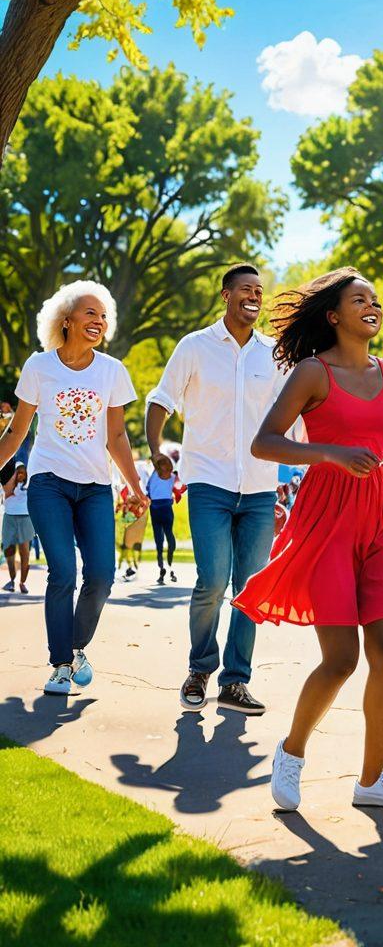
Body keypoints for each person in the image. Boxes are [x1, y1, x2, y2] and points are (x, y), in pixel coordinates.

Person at [232, 268, 383, 813]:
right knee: (341, 658)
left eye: (375, 300)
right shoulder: (313, 372)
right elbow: (265, 442)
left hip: (380, 517)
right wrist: (328, 453)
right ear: (334, 316)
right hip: (325, 518)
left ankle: (372, 781)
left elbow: (378, 448)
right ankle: (292, 751)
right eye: (359, 300)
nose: (372, 306)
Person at [146, 263, 288, 716]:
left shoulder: (274, 355)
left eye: (259, 290)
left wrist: (317, 465)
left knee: (250, 589)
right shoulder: (195, 346)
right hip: (208, 483)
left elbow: (297, 419)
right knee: (212, 581)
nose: (254, 296)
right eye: (245, 289)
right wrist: (155, 450)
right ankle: (200, 669)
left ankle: (236, 681)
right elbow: (161, 399)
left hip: (261, 488)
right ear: (225, 294)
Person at [0, 280, 147, 695]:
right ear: (66, 321)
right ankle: (61, 665)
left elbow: (117, 437)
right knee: (63, 570)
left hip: (96, 487)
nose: (98, 321)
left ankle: (74, 646)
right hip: (49, 483)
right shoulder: (39, 367)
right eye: (90, 313)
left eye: (103, 316)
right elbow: (17, 433)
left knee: (102, 574)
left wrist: (134, 484)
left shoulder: (112, 371)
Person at [146, 453, 185, 584]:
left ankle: (162, 568)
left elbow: (147, 490)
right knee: (169, 535)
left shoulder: (153, 476)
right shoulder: (173, 477)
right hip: (166, 507)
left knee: (159, 540)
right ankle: (169, 565)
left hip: (155, 508)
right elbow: (181, 487)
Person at [3, 462, 34, 593]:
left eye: (23, 472)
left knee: (24, 552)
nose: (20, 474)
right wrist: (14, 475)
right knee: (9, 550)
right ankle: (12, 580)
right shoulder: (9, 485)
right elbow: (6, 493)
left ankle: (22, 582)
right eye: (18, 472)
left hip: (26, 518)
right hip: (9, 517)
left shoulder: (30, 484)